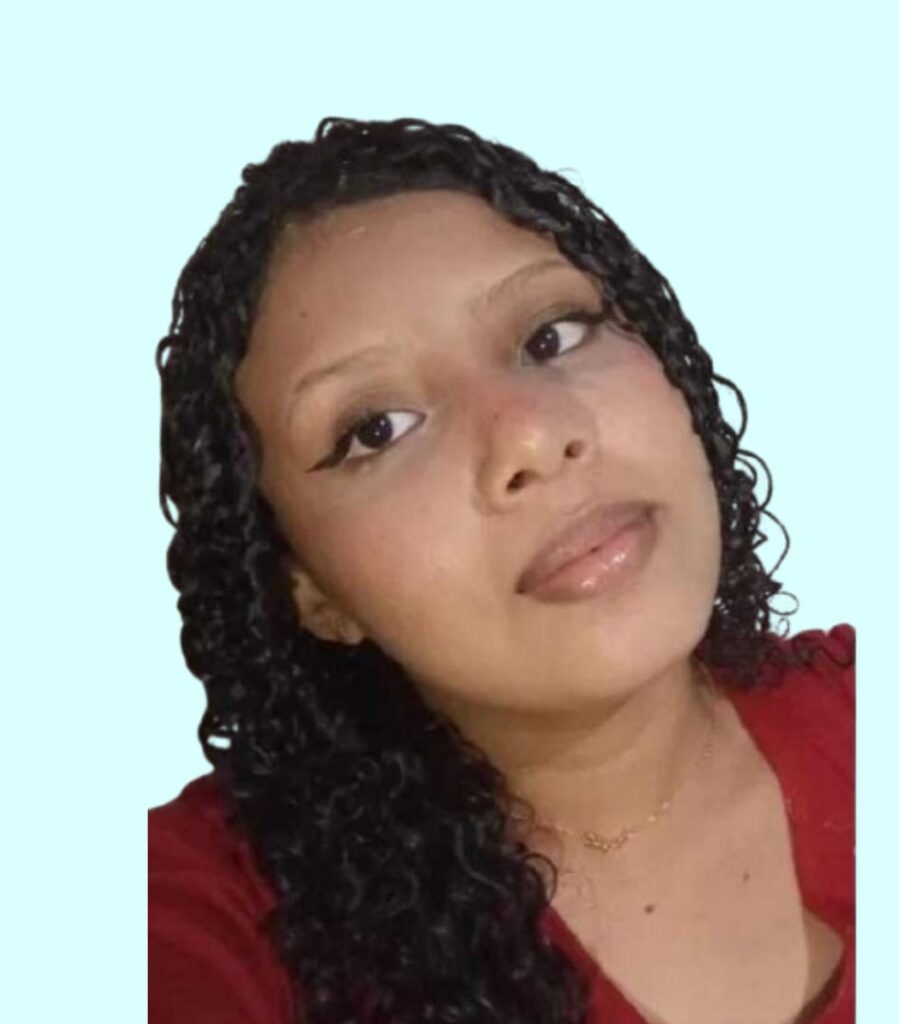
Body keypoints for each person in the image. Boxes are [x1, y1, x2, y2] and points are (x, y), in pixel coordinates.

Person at [149, 116, 855, 1024]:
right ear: (308, 589)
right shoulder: (205, 911)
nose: (532, 433)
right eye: (376, 430)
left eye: (552, 335)